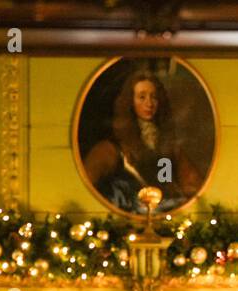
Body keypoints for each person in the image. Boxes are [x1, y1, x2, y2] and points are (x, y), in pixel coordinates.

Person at [81, 70, 204, 213]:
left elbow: (191, 184)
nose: (149, 104)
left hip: (163, 215)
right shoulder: (112, 148)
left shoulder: (168, 146)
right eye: (142, 97)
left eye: (154, 97)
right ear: (130, 101)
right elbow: (86, 186)